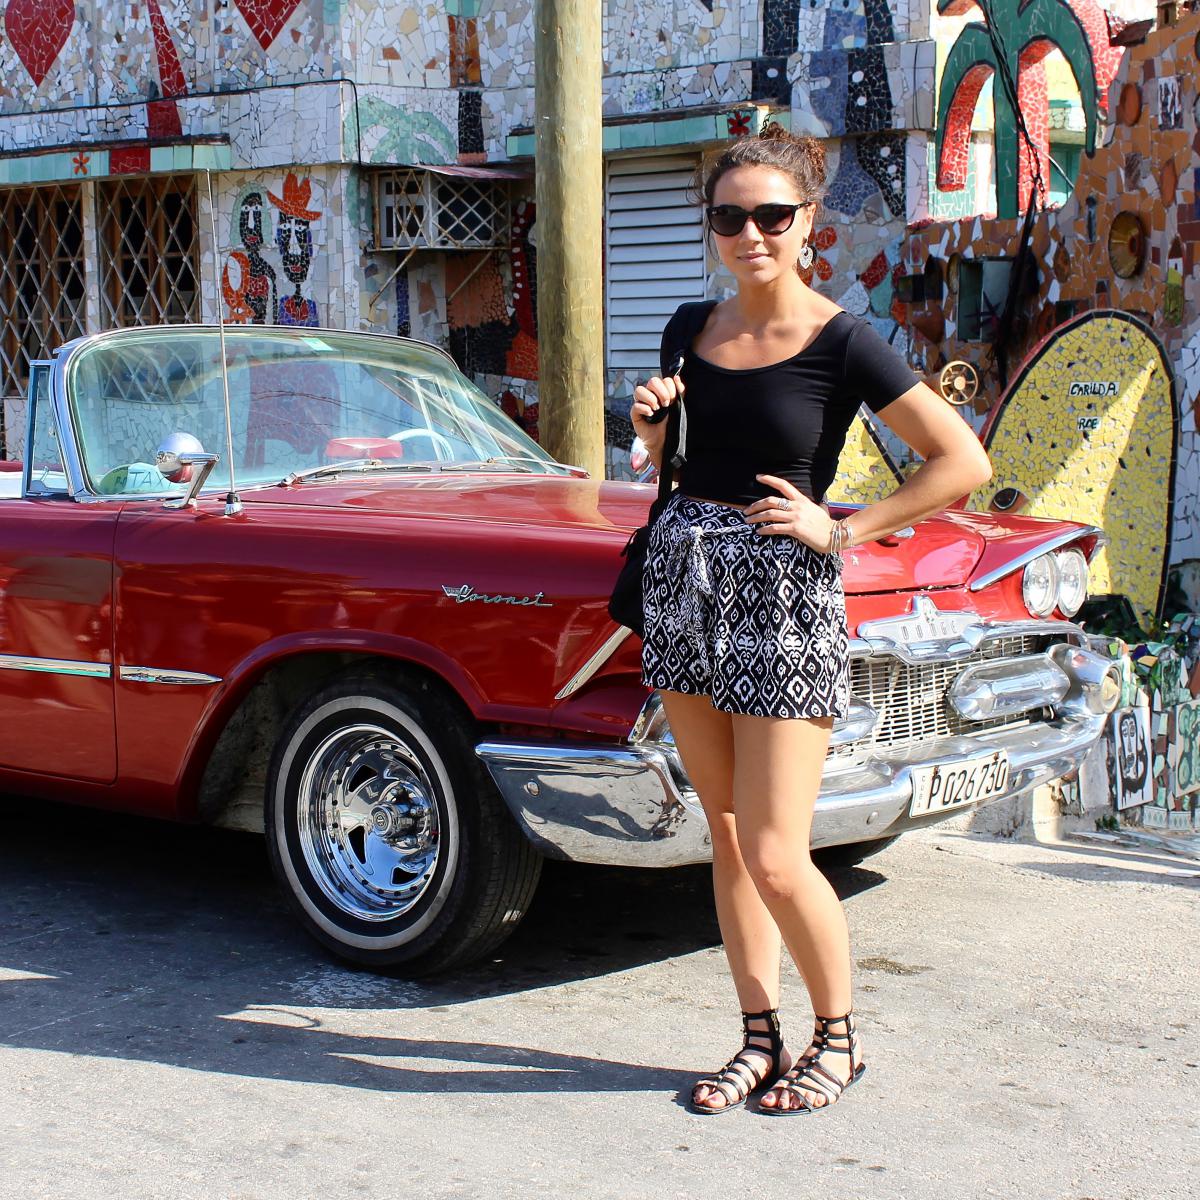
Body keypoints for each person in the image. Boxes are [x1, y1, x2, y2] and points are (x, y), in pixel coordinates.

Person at [628, 124, 992, 1115]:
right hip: (683, 586)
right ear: (713, 227)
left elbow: (964, 462)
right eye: (730, 217)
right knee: (730, 834)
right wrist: (652, 428)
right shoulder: (686, 328)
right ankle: (757, 1039)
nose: (751, 233)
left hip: (782, 598)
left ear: (807, 225)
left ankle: (839, 1038)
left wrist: (846, 528)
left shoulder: (844, 340)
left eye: (772, 216)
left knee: (782, 849)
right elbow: (671, 463)